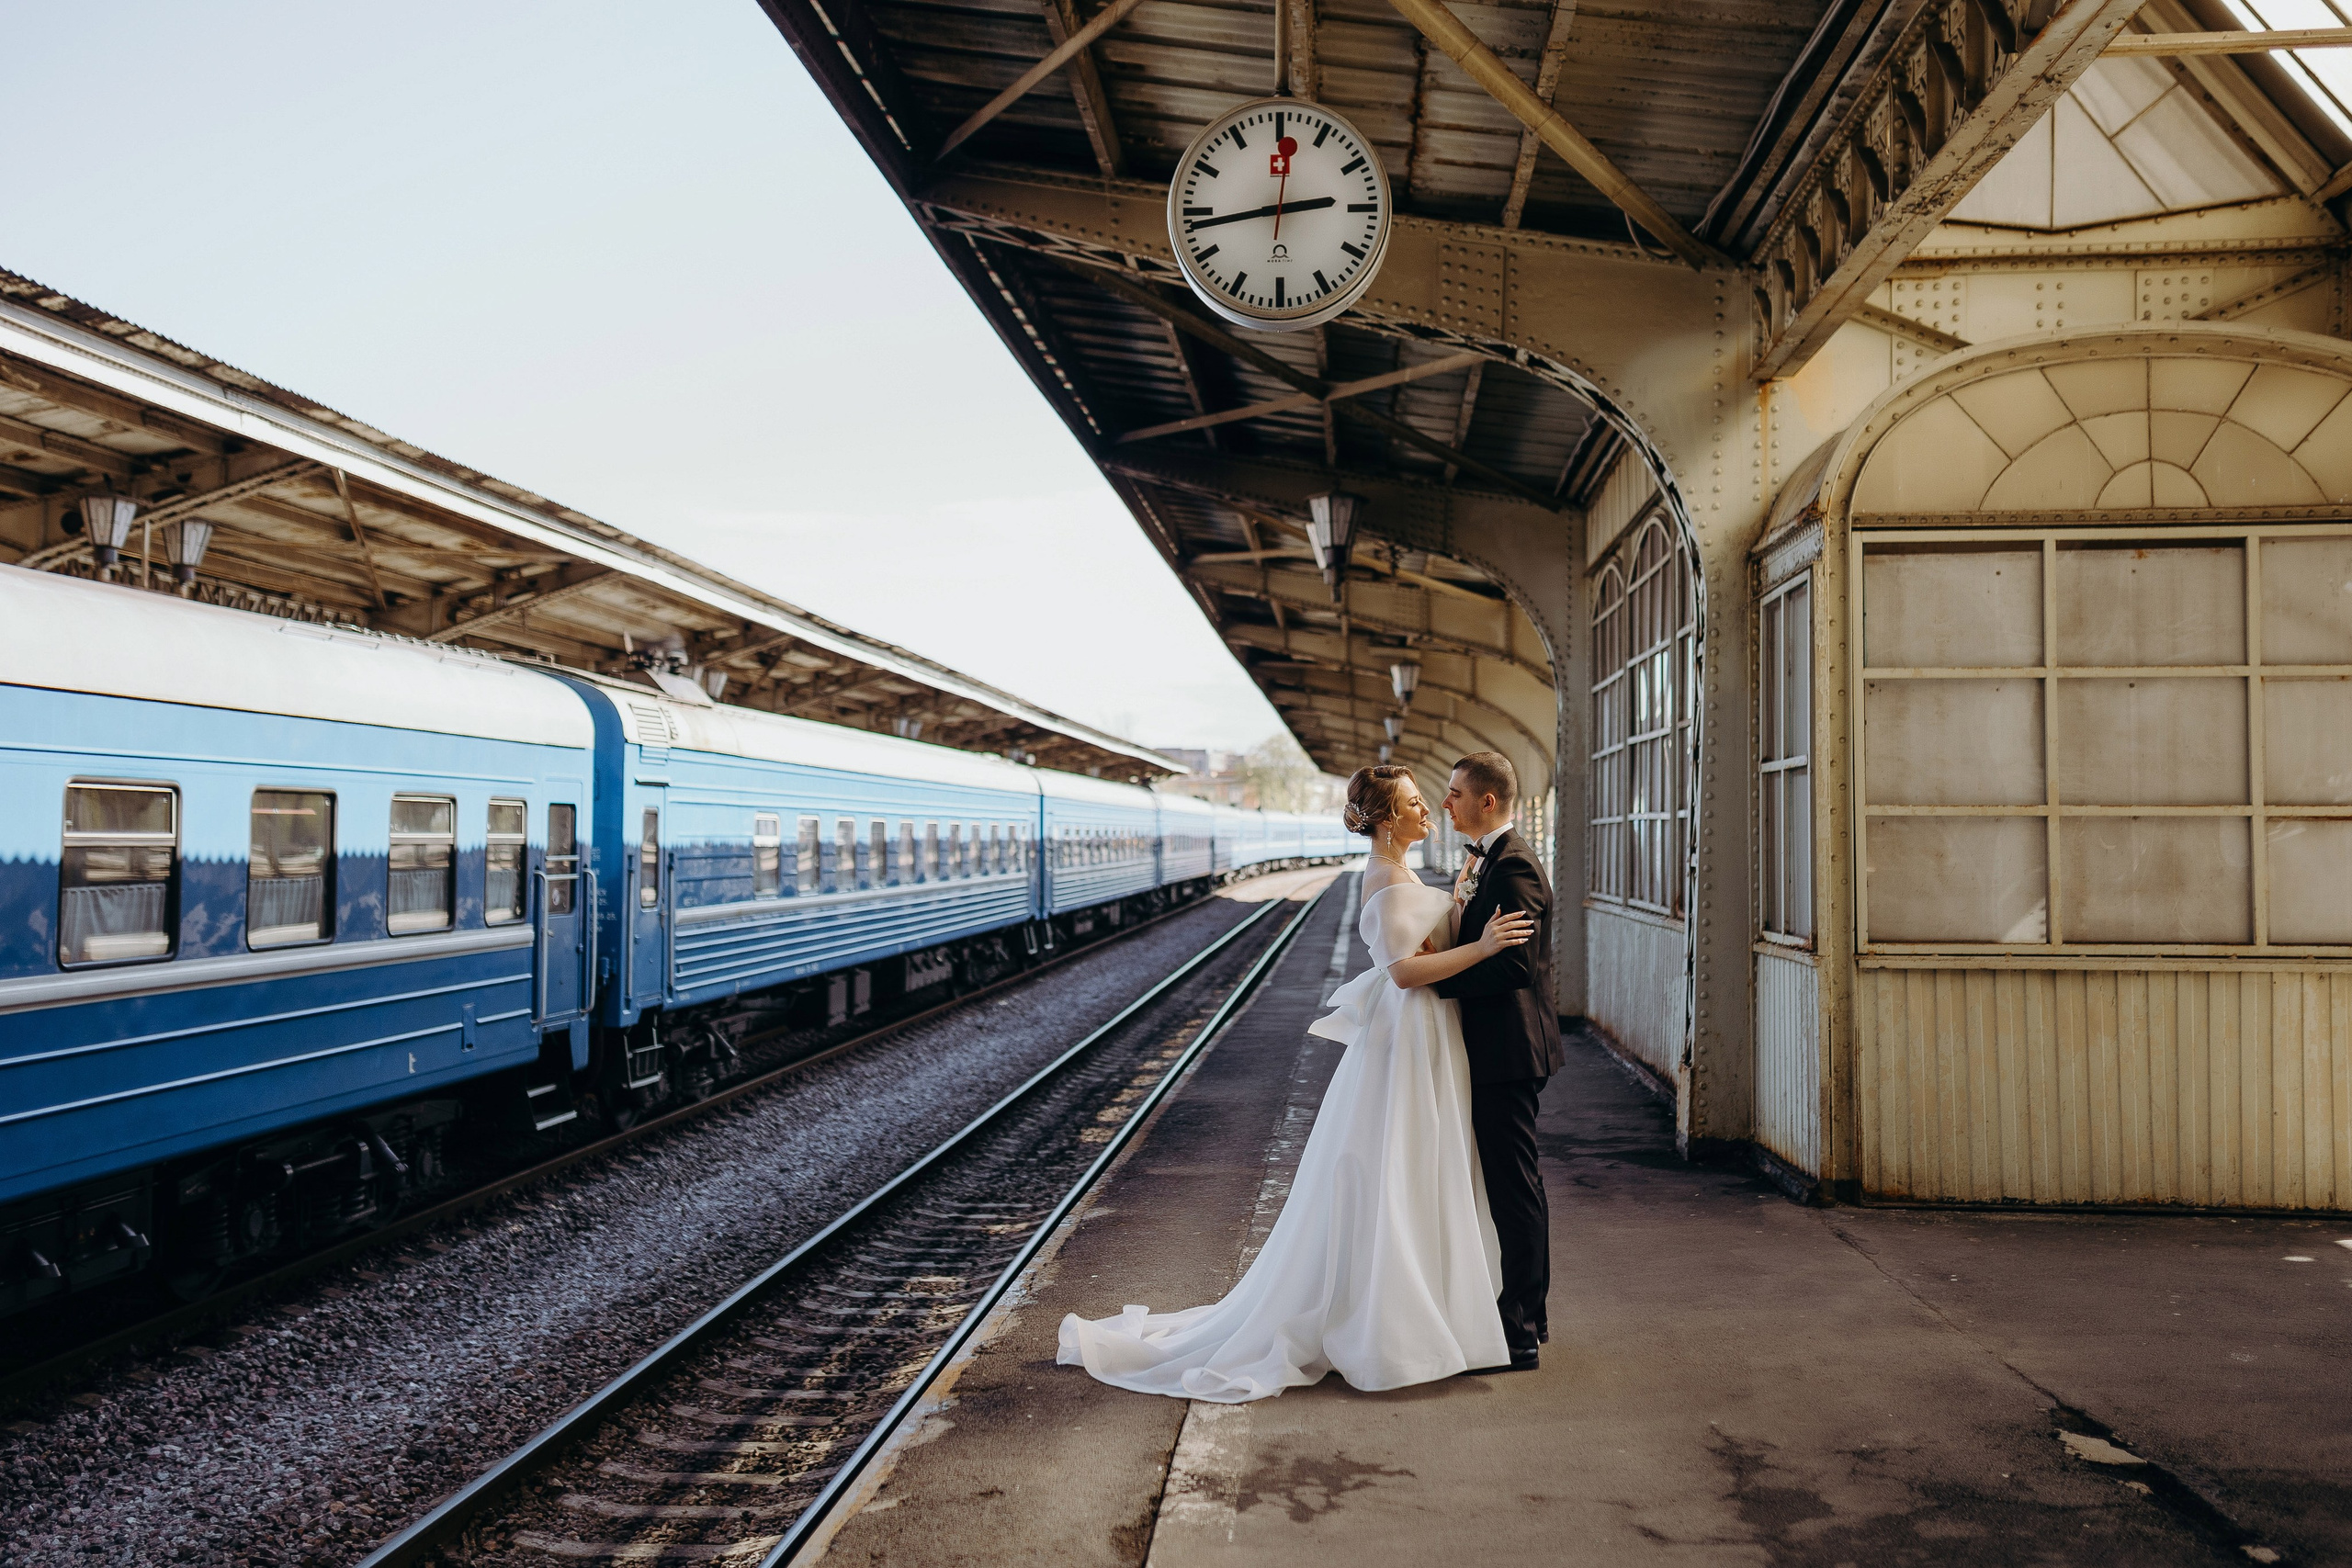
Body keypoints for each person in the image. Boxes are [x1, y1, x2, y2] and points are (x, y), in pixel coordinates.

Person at [1057, 765, 1537, 1401]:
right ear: (1389, 819)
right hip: (1410, 1035)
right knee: (1399, 1169)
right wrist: (1480, 946)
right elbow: (1403, 972)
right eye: (1417, 802)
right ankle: (1395, 1323)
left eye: (1432, 798)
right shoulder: (1387, 876)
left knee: (1419, 1167)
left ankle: (1428, 1313)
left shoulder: (1401, 869)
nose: (1430, 809)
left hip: (1427, 1037)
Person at [1437, 751, 1564, 1372]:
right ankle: (1516, 1309)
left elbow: (1512, 964)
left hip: (1508, 1051)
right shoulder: (1489, 860)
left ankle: (1524, 1323)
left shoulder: (1512, 866)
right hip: (1496, 1047)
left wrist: (1434, 981)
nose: (1446, 801)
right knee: (1507, 1182)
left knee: (1515, 1186)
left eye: (1455, 791)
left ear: (1487, 801)